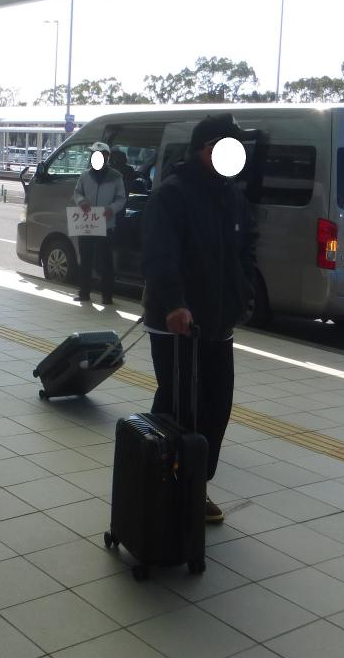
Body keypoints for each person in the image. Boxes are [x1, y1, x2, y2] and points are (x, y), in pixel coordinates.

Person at [141, 114, 258, 524]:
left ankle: (194, 485)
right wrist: (174, 303)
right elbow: (159, 255)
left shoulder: (232, 196)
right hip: (176, 323)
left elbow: (246, 249)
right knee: (178, 405)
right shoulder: (172, 194)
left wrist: (243, 293)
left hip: (218, 322)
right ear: (205, 149)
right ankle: (157, 482)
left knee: (216, 406)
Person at [73, 141, 127, 305]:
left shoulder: (116, 177)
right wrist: (81, 201)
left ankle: (107, 296)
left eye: (99, 154)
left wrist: (111, 209)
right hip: (87, 223)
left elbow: (121, 199)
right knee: (86, 258)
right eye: (93, 154)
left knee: (106, 261)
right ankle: (84, 292)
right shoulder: (85, 175)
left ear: (106, 156)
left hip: (106, 224)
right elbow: (77, 193)